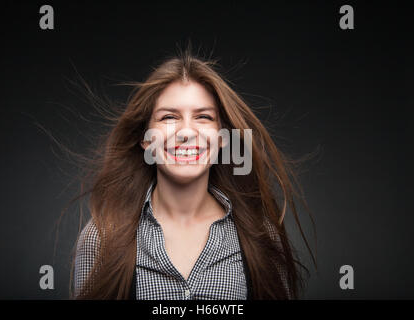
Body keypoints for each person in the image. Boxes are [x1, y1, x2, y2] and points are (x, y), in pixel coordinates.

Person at [72, 47, 314, 300]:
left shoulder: (260, 235)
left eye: (203, 117)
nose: (186, 132)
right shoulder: (102, 237)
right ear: (145, 140)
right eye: (168, 117)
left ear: (222, 138)